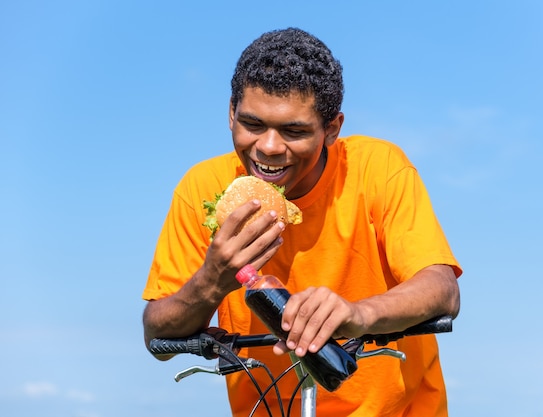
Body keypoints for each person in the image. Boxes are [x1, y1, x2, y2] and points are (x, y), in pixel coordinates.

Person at [142, 27, 462, 417]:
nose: (269, 147)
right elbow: (156, 330)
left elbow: (442, 287)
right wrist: (213, 279)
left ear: (332, 128)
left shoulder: (378, 169)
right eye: (253, 124)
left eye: (294, 131)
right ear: (230, 113)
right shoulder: (204, 188)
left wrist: (360, 314)